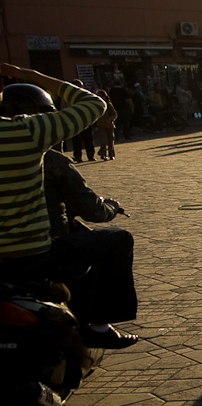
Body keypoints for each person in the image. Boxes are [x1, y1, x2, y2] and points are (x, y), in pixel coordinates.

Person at [0, 66, 105, 266]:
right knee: (119, 239)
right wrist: (31, 75)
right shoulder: (27, 131)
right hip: (31, 253)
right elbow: (94, 104)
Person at [42, 149, 139, 348]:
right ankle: (99, 326)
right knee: (118, 239)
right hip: (42, 249)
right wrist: (111, 207)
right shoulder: (48, 159)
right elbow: (92, 209)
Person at [69, 79, 96, 162]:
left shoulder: (87, 95)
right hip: (75, 120)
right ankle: (78, 156)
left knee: (88, 139)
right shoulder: (69, 96)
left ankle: (90, 156)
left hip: (86, 119)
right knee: (77, 140)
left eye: (80, 86)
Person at [95, 90, 117, 160]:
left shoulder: (108, 104)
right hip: (101, 124)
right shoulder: (97, 105)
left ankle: (111, 154)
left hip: (109, 125)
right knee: (103, 140)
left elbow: (114, 114)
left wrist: (110, 119)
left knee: (110, 141)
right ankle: (103, 154)